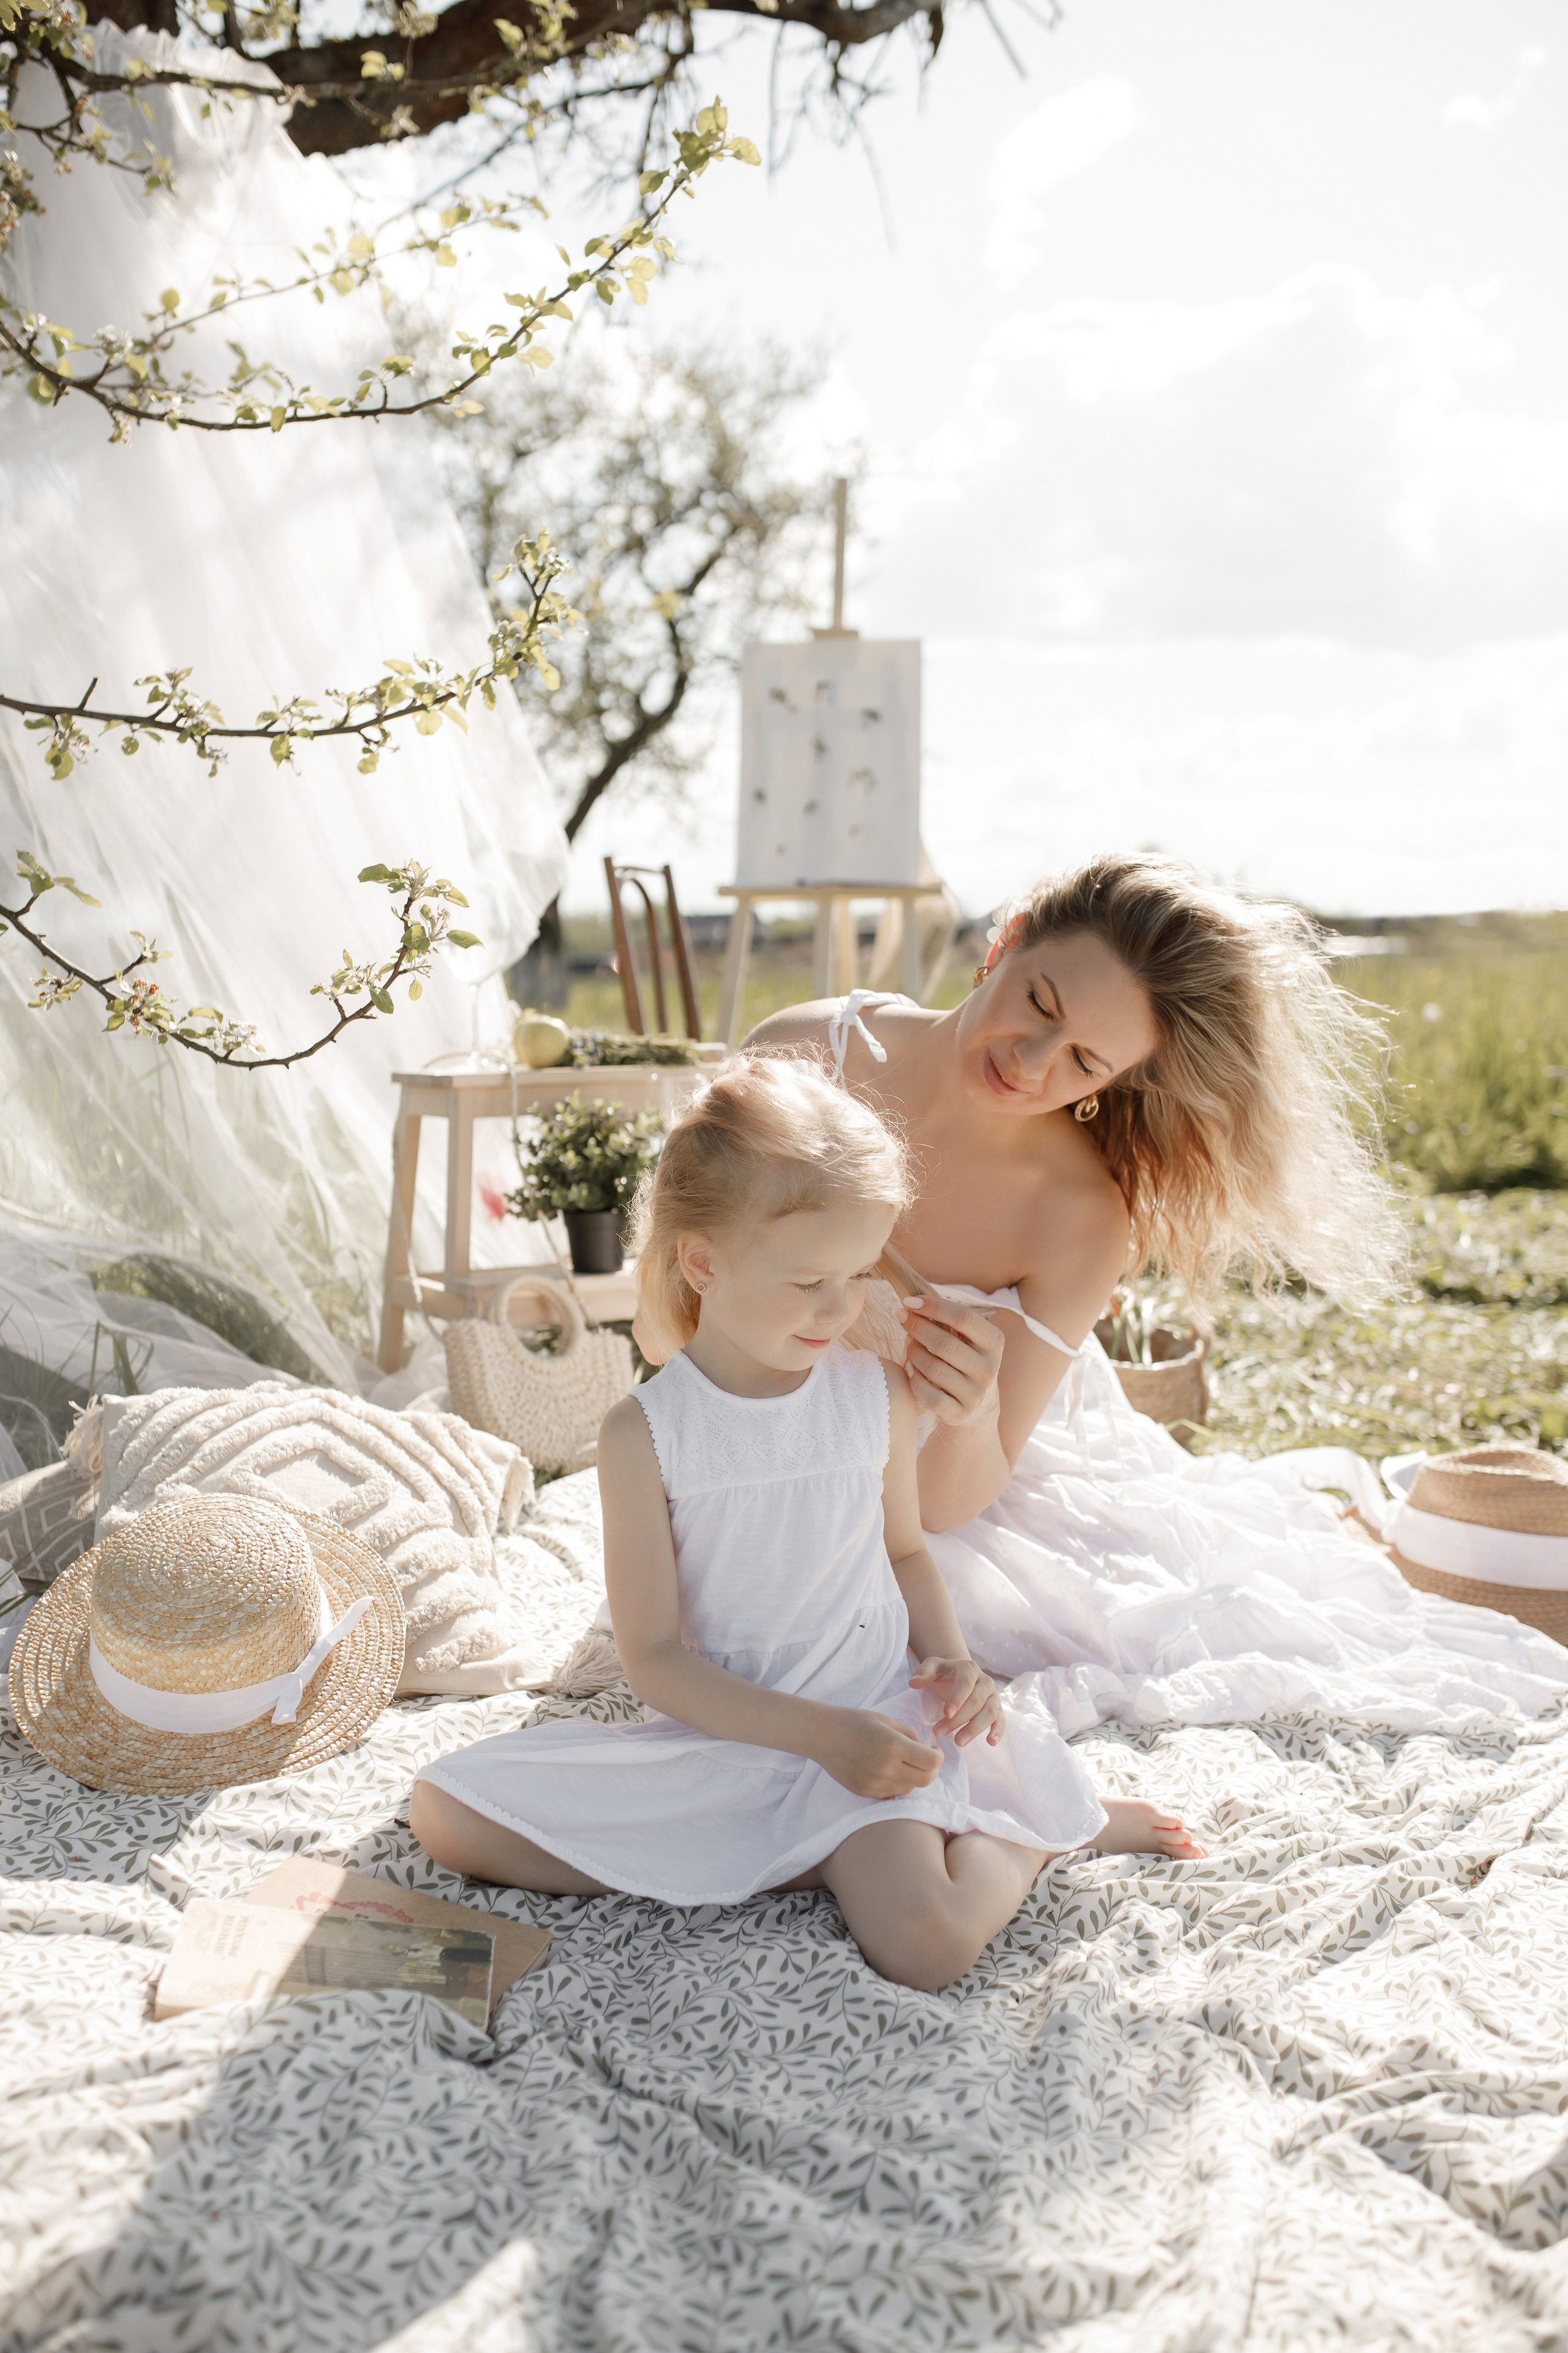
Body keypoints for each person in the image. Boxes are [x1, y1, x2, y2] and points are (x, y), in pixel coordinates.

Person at [412, 1057, 1202, 1992]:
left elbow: (904, 1549)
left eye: (860, 1273)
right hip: (728, 1736)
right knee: (443, 1810)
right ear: (703, 1261)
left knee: (927, 1947)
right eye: (810, 1280)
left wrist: (948, 1659)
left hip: (867, 1733)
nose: (844, 1308)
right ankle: (804, 1847)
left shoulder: (873, 1398)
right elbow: (657, 1661)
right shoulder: (645, 1434)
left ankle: (1018, 1835)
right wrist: (815, 1737)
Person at [742, 853, 1568, 1734]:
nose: (1030, 1062)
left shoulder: (1079, 1216)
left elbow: (950, 1504)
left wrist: (973, 1412)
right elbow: (679, 1299)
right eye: (1040, 1003)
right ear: (1007, 941)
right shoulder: (800, 1058)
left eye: (1084, 1060)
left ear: (1111, 1086)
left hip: (949, 1487)